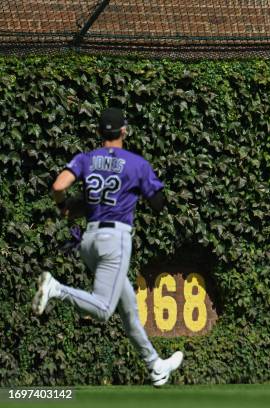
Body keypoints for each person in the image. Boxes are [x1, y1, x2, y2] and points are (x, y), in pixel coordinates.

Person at [32, 107, 183, 386]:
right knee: (103, 309)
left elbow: (58, 185)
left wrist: (65, 206)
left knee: (128, 310)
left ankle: (156, 365)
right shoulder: (136, 164)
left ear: (100, 132)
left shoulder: (86, 159)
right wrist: (141, 191)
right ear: (124, 131)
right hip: (116, 239)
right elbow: (159, 203)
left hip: (89, 241)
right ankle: (57, 289)